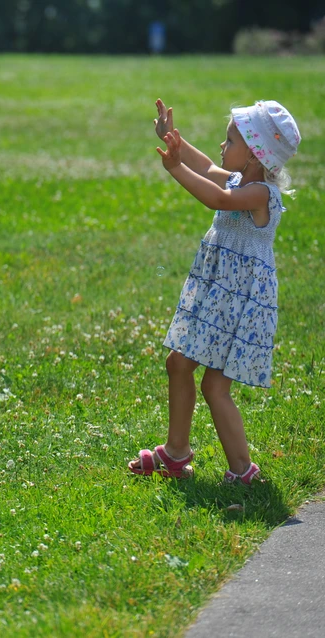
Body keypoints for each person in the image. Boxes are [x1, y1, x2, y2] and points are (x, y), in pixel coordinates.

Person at [128, 99, 301, 485]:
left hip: (239, 304)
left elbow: (217, 198)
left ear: (256, 154)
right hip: (216, 296)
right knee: (178, 363)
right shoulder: (242, 179)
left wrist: (174, 168)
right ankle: (176, 455)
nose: (222, 147)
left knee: (215, 385)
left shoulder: (261, 195)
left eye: (230, 140)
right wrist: (174, 140)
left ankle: (243, 472)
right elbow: (206, 167)